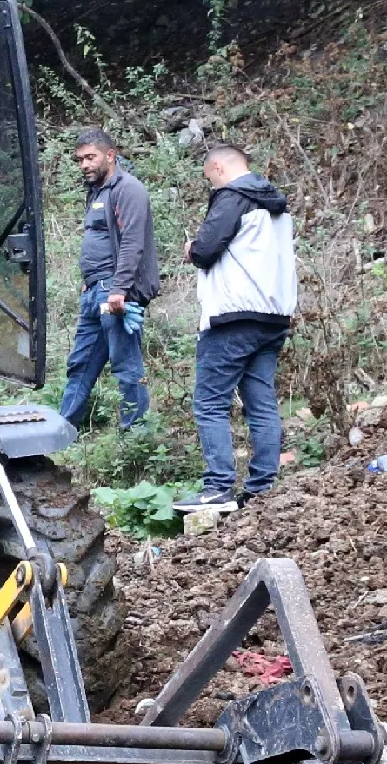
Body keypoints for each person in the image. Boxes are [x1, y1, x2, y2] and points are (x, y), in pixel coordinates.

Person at [175, 144, 298, 513]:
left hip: (233, 316)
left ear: (217, 167)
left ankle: (217, 488)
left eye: (208, 176)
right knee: (261, 404)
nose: (210, 183)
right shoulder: (276, 203)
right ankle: (262, 488)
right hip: (273, 315)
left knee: (210, 403)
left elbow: (206, 251)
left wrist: (190, 248)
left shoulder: (231, 196)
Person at [58, 128, 158, 430]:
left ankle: (136, 434)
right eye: (80, 160)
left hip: (114, 293)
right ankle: (61, 432)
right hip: (93, 292)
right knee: (80, 365)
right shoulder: (98, 191)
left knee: (126, 365)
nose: (84, 165)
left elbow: (132, 242)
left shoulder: (129, 189)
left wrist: (119, 290)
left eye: (91, 157)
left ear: (110, 155)